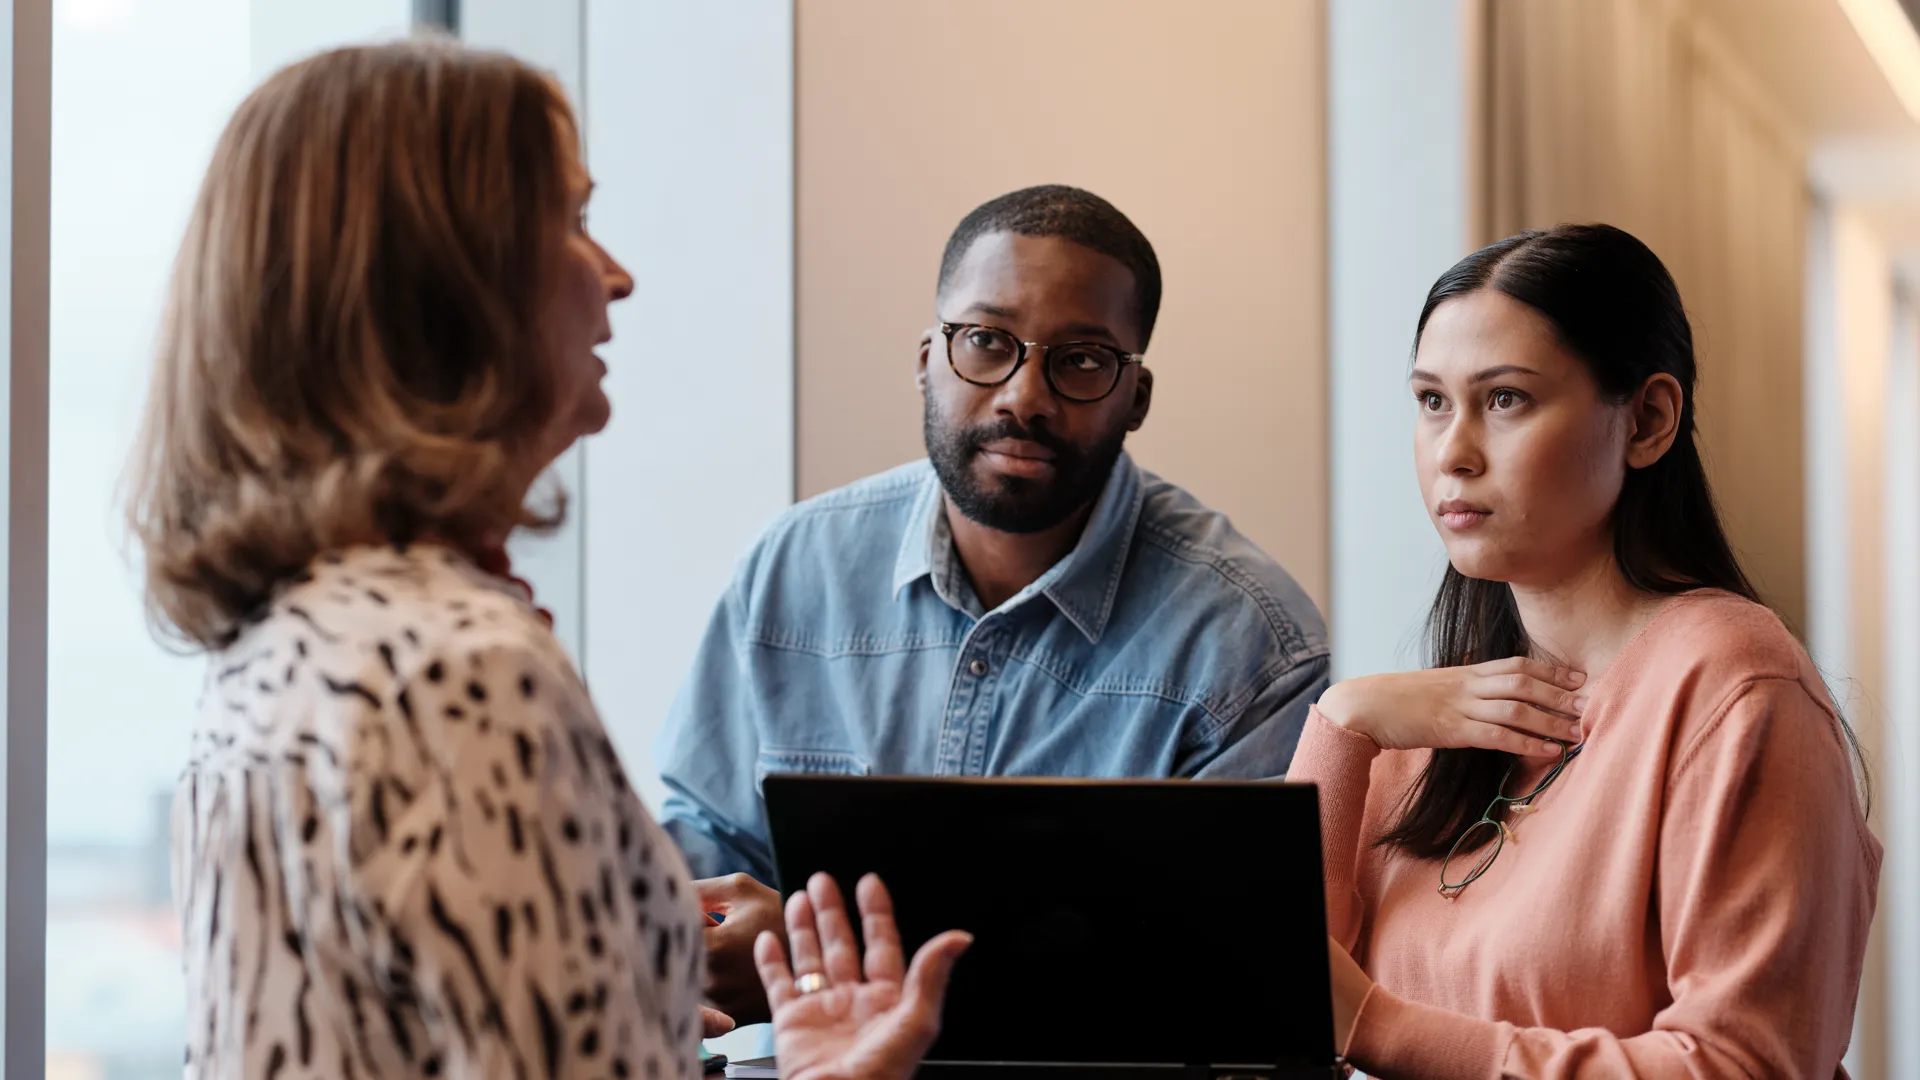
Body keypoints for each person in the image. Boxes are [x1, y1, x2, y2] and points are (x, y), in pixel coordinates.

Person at [130, 39, 967, 1080]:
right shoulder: (459, 672)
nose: (618, 274)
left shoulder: (286, 637)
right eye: (572, 222)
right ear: (447, 283)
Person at [658, 184, 1330, 1023]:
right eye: (986, 341)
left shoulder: (1248, 642)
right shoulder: (794, 570)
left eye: (1082, 358)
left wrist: (815, 973)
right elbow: (700, 863)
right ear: (926, 359)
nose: (1024, 396)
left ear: (1138, 397)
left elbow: (1218, 988)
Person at [1297, 224, 1880, 1077]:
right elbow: (1270, 1012)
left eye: (1506, 400)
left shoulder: (1737, 685)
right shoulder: (1420, 720)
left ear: (1647, 420)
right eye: (1431, 402)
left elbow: (1743, 1063)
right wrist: (1342, 726)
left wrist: (1381, 1027)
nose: (1452, 454)